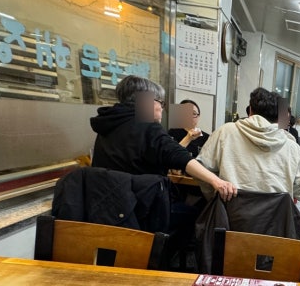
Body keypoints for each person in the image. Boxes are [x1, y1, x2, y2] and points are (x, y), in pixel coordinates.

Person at [89, 75, 235, 201]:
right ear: (146, 101)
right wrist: (217, 181)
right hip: (136, 206)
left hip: (103, 202)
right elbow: (178, 155)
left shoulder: (109, 125)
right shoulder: (147, 127)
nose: (162, 108)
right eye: (161, 102)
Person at [196, 87, 300, 202]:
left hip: (229, 211)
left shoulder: (225, 132)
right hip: (276, 213)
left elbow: (201, 171)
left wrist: (213, 197)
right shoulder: (292, 147)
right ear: (280, 117)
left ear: (250, 110)